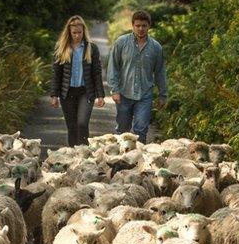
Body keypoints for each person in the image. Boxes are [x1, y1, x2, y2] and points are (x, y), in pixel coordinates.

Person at [107, 9, 167, 144]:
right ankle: (121, 161)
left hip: (144, 96)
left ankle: (138, 161)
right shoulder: (121, 43)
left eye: (144, 26)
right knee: (123, 131)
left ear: (149, 26)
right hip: (124, 94)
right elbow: (113, 67)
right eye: (138, 25)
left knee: (141, 130)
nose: (141, 29)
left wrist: (163, 94)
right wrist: (114, 90)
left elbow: (160, 72)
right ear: (132, 25)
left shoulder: (156, 48)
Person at [50, 15, 105, 146]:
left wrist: (100, 95)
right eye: (74, 33)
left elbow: (96, 73)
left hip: (86, 92)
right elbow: (56, 74)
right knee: (72, 127)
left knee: (82, 123)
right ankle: (73, 155)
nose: (77, 35)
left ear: (83, 31)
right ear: (69, 32)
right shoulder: (61, 48)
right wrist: (54, 95)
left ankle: (83, 154)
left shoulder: (91, 48)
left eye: (79, 32)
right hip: (67, 93)